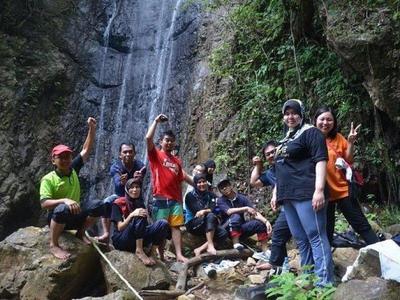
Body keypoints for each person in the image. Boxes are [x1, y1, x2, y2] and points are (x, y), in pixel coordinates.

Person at [272, 99, 333, 286]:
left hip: (306, 191)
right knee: (301, 239)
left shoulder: (311, 132)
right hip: (287, 195)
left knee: (315, 236)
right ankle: (307, 278)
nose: (290, 116)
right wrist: (275, 193)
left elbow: (321, 160)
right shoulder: (285, 139)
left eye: (294, 113)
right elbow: (280, 168)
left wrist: (319, 190)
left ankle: (324, 284)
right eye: (286, 113)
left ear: (301, 114)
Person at [40, 117, 107, 260]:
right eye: (60, 157)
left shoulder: (73, 168)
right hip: (58, 217)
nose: (65, 160)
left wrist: (92, 128)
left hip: (75, 215)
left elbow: (85, 149)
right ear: (53, 160)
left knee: (99, 205)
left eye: (67, 157)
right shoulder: (48, 178)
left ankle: (81, 233)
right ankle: (54, 244)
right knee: (62, 208)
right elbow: (44, 203)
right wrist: (64, 200)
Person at [314, 106, 379, 245]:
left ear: (334, 122)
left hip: (343, 189)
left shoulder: (337, 138)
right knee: (326, 231)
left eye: (329, 120)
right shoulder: (310, 138)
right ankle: (328, 264)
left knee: (361, 225)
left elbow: (348, 160)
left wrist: (350, 142)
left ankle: (383, 255)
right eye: (322, 119)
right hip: (324, 194)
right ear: (315, 120)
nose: (325, 122)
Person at [145, 113, 193, 263]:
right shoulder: (156, 155)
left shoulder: (177, 161)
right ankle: (156, 254)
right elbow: (147, 139)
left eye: (172, 141)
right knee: (161, 227)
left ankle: (179, 254)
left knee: (176, 227)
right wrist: (156, 121)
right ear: (161, 141)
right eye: (167, 140)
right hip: (160, 198)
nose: (169, 143)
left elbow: (181, 179)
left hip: (176, 200)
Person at [250, 141, 292, 270]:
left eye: (273, 151)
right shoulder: (269, 173)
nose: (271, 155)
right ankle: (278, 265)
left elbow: (283, 179)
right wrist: (258, 165)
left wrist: (275, 194)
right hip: (287, 208)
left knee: (303, 236)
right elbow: (254, 182)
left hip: (300, 203)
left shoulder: (290, 163)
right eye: (268, 154)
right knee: (278, 233)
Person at [111, 177, 170, 265]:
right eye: (131, 187)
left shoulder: (140, 203)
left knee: (163, 223)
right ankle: (139, 250)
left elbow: (143, 227)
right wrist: (132, 215)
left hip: (137, 238)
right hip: (122, 239)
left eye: (137, 187)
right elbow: (120, 227)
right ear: (127, 189)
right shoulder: (118, 203)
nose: (135, 190)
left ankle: (152, 253)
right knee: (139, 213)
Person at [98, 143, 146, 243]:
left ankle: (142, 237)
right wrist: (122, 182)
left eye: (130, 152)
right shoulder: (115, 167)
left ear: (135, 153)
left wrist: (137, 179)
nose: (128, 154)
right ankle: (106, 233)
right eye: (125, 152)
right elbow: (117, 184)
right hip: (119, 195)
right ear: (120, 155)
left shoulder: (140, 166)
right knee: (106, 202)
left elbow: (139, 186)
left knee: (142, 210)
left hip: (134, 195)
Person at [217, 178, 272, 251]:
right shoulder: (221, 200)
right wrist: (245, 208)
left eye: (226, 186)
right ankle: (236, 243)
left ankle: (265, 250)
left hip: (240, 228)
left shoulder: (241, 198)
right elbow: (229, 211)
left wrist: (266, 221)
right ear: (220, 191)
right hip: (226, 230)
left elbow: (254, 212)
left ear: (230, 186)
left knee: (259, 224)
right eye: (221, 188)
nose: (224, 188)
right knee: (235, 216)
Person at [185, 173, 228, 256]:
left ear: (206, 182)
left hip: (208, 223)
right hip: (193, 223)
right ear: (195, 184)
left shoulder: (211, 195)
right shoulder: (190, 196)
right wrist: (209, 211)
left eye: (203, 181)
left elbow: (216, 209)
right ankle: (210, 245)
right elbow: (198, 213)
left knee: (223, 233)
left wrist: (205, 211)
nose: (202, 184)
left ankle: (199, 249)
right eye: (199, 182)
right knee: (211, 215)